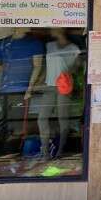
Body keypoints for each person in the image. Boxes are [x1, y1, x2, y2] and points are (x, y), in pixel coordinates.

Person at [0, 28, 44, 150]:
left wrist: (29, 88)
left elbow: (37, 66)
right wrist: (3, 67)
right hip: (4, 88)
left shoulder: (34, 43)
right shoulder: (2, 43)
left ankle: (14, 149)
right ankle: (6, 149)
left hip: (21, 89)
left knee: (17, 123)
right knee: (5, 121)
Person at [38, 28, 81, 159]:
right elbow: (46, 67)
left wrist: (70, 72)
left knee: (63, 118)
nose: (51, 29)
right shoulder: (49, 46)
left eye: (54, 27)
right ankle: (45, 151)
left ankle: (60, 151)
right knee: (42, 118)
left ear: (61, 29)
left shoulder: (74, 48)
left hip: (63, 87)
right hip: (49, 85)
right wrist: (38, 82)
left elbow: (77, 68)